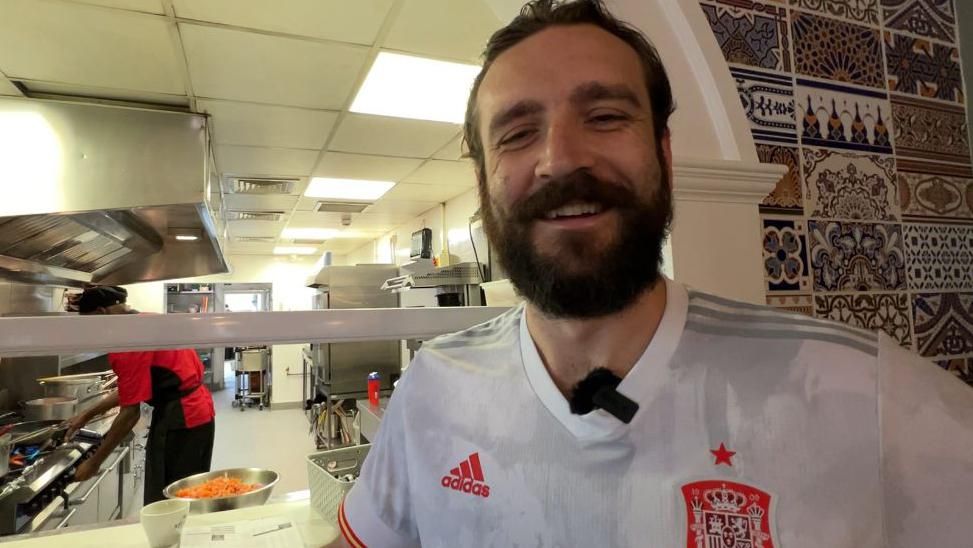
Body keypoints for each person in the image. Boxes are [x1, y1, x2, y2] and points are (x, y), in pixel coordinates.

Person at [332, 1, 973, 546]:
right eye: (518, 132)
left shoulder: (863, 394)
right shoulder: (430, 393)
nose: (560, 159)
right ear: (483, 182)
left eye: (606, 117)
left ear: (663, 155)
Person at [66, 285, 216, 505]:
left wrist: (94, 463)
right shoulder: (147, 320)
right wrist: (87, 415)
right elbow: (131, 389)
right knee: (190, 491)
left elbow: (130, 413)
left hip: (182, 418)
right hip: (199, 411)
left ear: (101, 313)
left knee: (171, 498)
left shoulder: (128, 341)